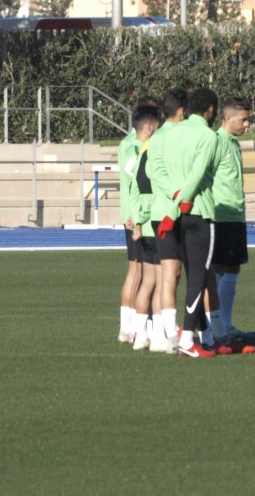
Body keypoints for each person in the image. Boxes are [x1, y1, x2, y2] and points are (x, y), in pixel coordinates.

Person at [162, 87, 222, 357]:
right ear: (209, 109)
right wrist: (182, 201)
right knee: (199, 277)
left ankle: (206, 335)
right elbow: (198, 175)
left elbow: (158, 169)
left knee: (192, 275)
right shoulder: (208, 136)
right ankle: (187, 339)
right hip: (198, 211)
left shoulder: (173, 132)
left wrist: (173, 198)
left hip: (177, 214)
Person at [209, 97, 255, 351]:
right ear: (227, 118)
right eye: (243, 119)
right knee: (220, 268)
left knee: (233, 268)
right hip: (221, 214)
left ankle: (226, 322)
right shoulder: (216, 142)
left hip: (236, 215)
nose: (247, 124)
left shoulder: (234, 143)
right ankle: (216, 326)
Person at [146, 89, 187, 353]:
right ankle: (172, 335)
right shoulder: (179, 135)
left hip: (159, 213)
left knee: (167, 275)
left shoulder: (156, 137)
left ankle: (164, 334)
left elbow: (152, 171)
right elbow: (159, 171)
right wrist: (177, 192)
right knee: (173, 275)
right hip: (175, 212)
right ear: (182, 111)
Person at [126, 104, 161, 350]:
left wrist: (137, 219)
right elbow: (153, 190)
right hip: (157, 223)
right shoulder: (152, 150)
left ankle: (139, 334)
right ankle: (159, 334)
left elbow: (135, 189)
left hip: (144, 224)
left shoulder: (138, 153)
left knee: (148, 281)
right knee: (162, 281)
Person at [117, 111, 144, 344]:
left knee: (135, 272)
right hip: (139, 217)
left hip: (130, 215)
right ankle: (138, 328)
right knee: (145, 274)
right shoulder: (136, 147)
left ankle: (127, 328)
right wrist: (135, 216)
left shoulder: (125, 143)